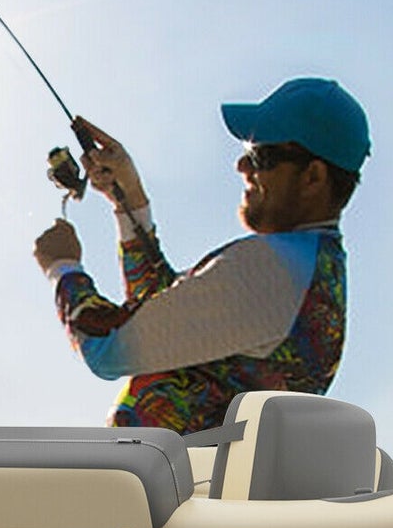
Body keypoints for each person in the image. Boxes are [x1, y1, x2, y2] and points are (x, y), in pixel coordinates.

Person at [33, 77, 370, 433]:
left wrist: (62, 267)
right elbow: (161, 315)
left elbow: (109, 347)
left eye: (261, 156)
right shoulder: (312, 270)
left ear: (313, 178)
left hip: (165, 487)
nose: (242, 166)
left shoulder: (269, 272)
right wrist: (127, 199)